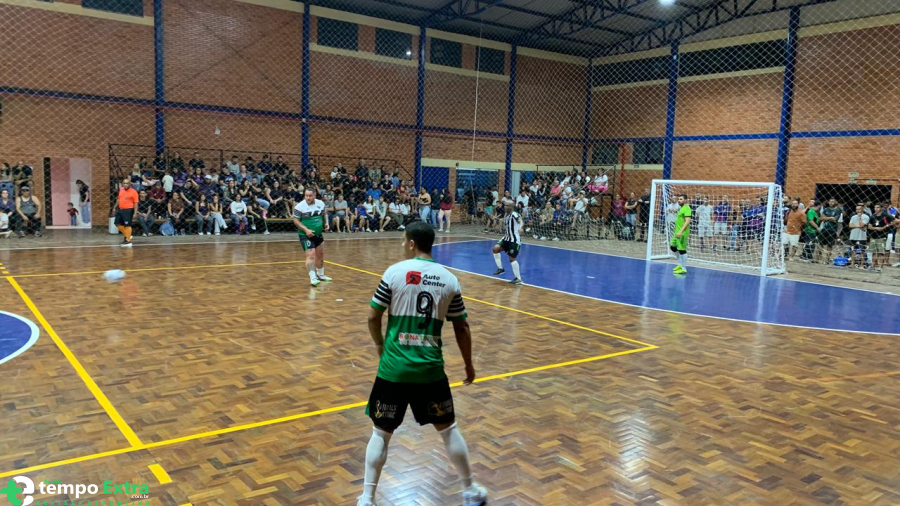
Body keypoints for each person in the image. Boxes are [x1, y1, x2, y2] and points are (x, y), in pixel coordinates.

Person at [359, 221, 487, 506]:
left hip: (393, 370)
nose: (403, 245)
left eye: (404, 241)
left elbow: (372, 316)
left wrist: (380, 344)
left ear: (412, 243)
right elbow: (462, 327)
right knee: (449, 430)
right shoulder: (449, 279)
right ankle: (470, 491)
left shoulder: (394, 273)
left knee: (380, 433)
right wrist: (468, 364)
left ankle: (367, 498)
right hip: (430, 372)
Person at [293, 188, 332, 287]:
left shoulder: (320, 203)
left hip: (318, 234)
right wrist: (306, 230)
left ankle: (321, 275)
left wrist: (326, 223)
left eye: (310, 196)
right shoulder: (299, 206)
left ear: (314, 195)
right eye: (306, 195)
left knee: (320, 254)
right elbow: (296, 221)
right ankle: (313, 278)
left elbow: (325, 214)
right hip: (305, 235)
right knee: (311, 255)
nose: (308, 198)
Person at [492, 203, 524, 285]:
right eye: (505, 205)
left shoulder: (514, 214)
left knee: (512, 259)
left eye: (507, 205)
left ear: (512, 207)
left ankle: (518, 279)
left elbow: (520, 221)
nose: (505, 207)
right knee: (495, 249)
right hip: (506, 238)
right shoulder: (507, 215)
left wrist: (520, 227)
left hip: (514, 240)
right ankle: (500, 268)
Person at [671, 194, 692, 274]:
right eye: (678, 199)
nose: (679, 200)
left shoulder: (687, 208)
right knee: (673, 247)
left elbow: (687, 221)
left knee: (682, 250)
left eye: (681, 199)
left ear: (685, 200)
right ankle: (680, 264)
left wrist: (680, 231)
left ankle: (683, 268)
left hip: (682, 233)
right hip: (677, 232)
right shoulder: (681, 208)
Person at [115, 178, 139, 246]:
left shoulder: (134, 192)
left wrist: (135, 212)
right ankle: (128, 235)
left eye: (127, 183)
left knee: (127, 225)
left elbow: (136, 203)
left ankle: (128, 241)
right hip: (120, 209)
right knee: (117, 223)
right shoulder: (121, 190)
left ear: (130, 184)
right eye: (124, 183)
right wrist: (114, 207)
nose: (125, 184)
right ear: (122, 184)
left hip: (128, 209)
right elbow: (118, 199)